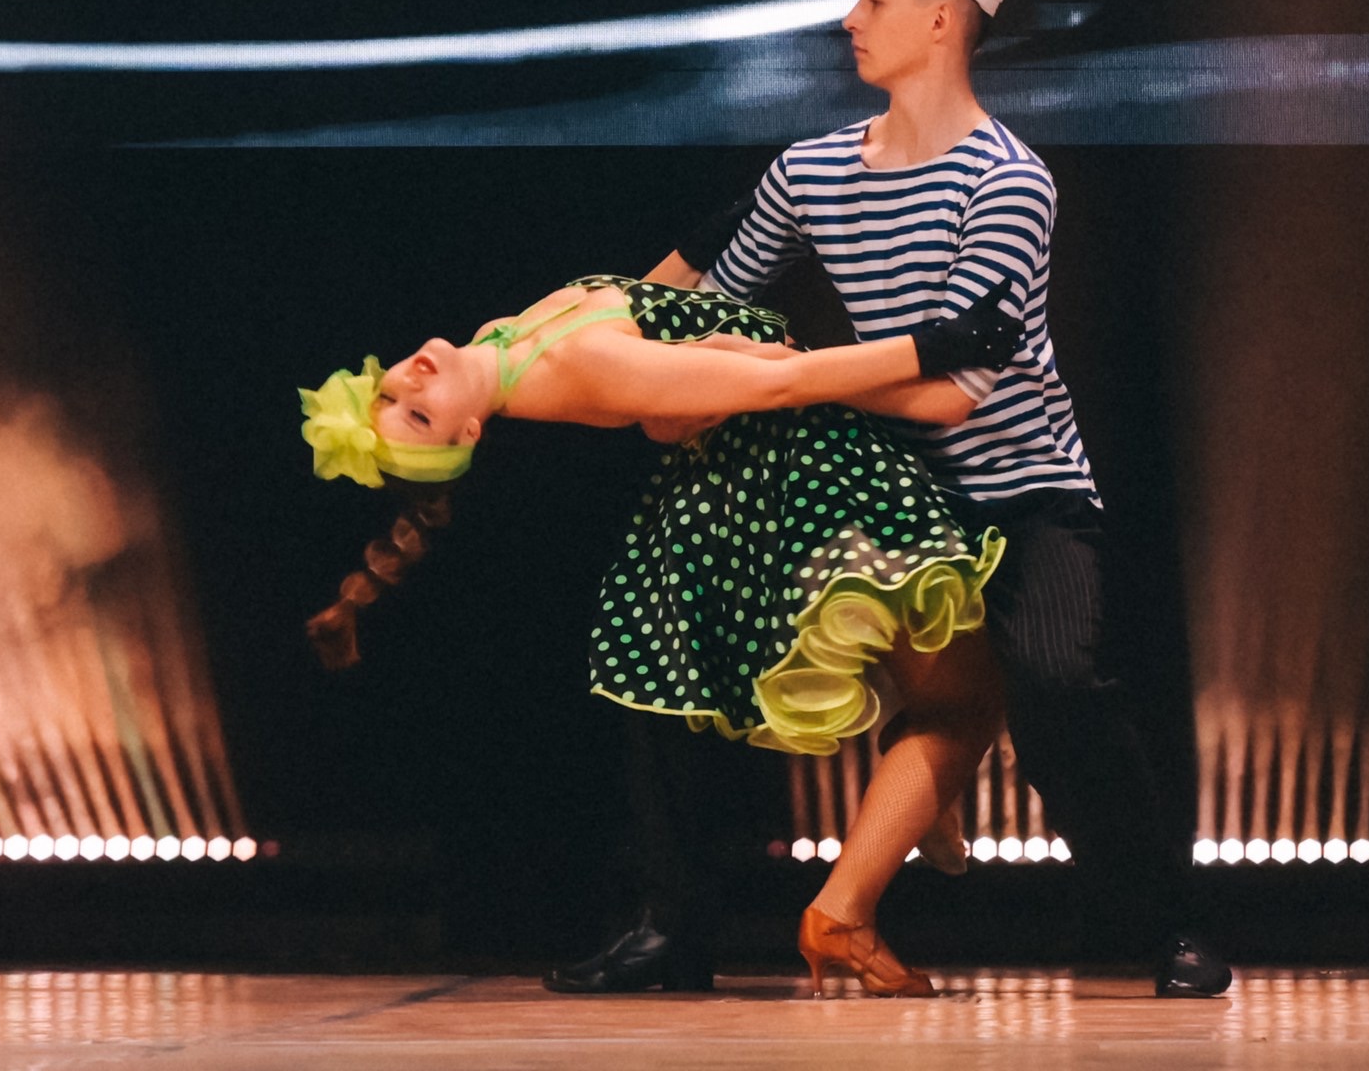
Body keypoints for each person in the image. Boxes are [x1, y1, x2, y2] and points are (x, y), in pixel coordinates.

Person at [552, 0, 1231, 999]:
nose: (848, 17)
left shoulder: (1008, 180)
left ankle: (1164, 926)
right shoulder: (812, 169)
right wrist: (582, 350)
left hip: (1019, 489)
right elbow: (696, 303)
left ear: (942, 18)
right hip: (882, 489)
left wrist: (777, 373)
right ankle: (670, 927)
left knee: (1059, 682)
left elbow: (950, 392)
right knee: (685, 633)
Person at [298, 269, 1025, 994]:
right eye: (417, 416)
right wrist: (933, 349)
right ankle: (851, 897)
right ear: (468, 433)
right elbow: (780, 382)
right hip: (811, 471)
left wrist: (717, 283)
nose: (410, 383)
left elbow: (675, 326)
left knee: (953, 692)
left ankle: (909, 813)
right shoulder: (576, 363)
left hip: (791, 461)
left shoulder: (507, 337)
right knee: (963, 700)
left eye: (389, 395)